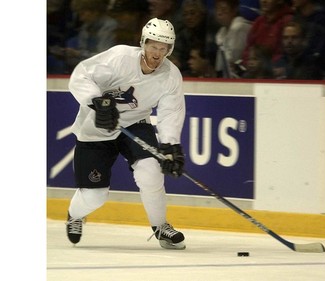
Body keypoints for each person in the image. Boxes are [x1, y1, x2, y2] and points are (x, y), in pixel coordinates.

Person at [65, 18, 187, 250]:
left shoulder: (171, 75)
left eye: (163, 48)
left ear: (169, 50)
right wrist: (97, 103)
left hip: (135, 124)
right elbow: (81, 75)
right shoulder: (119, 58)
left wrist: (171, 147)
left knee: (151, 169)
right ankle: (74, 214)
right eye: (153, 46)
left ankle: (160, 226)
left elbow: (171, 112)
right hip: (96, 128)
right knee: (95, 196)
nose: (157, 53)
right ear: (143, 43)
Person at [49, 0, 118, 73]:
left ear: (95, 12)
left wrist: (78, 54)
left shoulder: (109, 26)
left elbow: (104, 57)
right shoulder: (86, 27)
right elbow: (83, 56)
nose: (81, 19)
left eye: (83, 14)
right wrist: (67, 56)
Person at [172, 0, 218, 76]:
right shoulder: (183, 33)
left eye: (192, 13)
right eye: (185, 14)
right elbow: (181, 58)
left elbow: (213, 58)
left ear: (202, 13)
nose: (188, 17)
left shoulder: (211, 30)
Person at [242, 0, 293, 66]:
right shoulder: (259, 21)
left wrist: (264, 67)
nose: (264, 1)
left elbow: (284, 54)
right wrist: (247, 63)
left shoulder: (287, 21)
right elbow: (248, 48)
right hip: (254, 71)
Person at [213, 0, 252, 78]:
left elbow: (233, 60)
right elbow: (219, 66)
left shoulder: (239, 27)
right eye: (217, 9)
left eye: (223, 9)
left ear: (234, 10)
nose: (219, 13)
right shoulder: (221, 32)